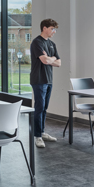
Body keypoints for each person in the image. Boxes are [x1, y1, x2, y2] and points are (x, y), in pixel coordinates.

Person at [30, 19, 61, 148]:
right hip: (38, 80)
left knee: (44, 108)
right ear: (44, 28)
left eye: (55, 29)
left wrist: (51, 58)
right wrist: (50, 58)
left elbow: (59, 63)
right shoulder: (37, 42)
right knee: (39, 107)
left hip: (49, 80)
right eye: (52, 29)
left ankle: (42, 132)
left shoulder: (52, 44)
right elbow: (44, 61)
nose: (54, 31)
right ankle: (37, 136)